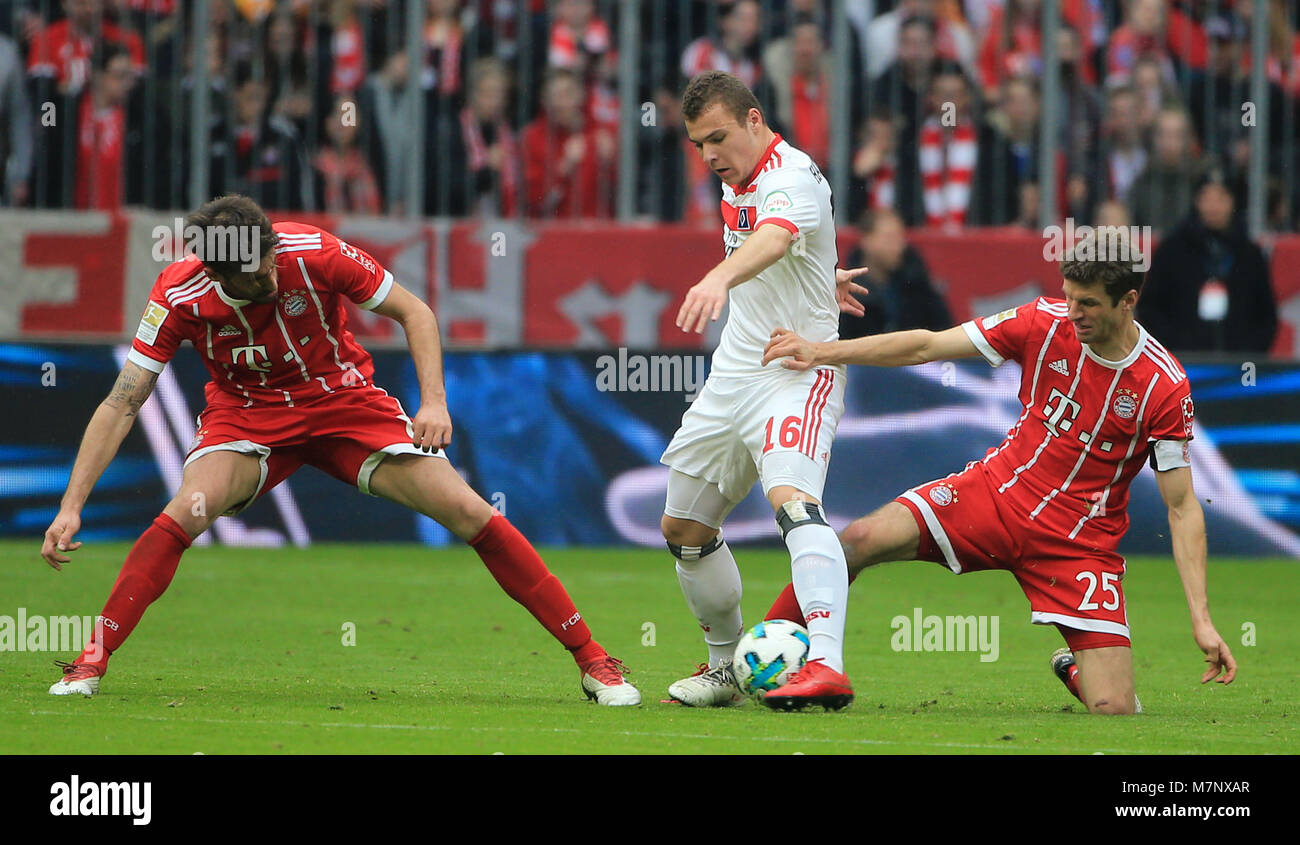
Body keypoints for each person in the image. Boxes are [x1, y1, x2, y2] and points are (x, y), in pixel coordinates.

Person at [41, 194, 641, 707]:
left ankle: (593, 660)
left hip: (346, 405)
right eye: (253, 274)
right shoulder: (179, 295)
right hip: (249, 417)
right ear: (218, 273)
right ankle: (90, 662)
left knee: (469, 511)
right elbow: (123, 401)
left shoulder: (312, 250)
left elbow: (415, 311)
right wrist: (72, 506)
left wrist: (434, 402)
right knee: (186, 509)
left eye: (269, 255)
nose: (270, 274)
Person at [760, 229, 1237, 714]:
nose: (1073, 313)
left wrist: (1201, 620)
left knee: (1114, 710)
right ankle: (754, 662)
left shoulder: (1163, 386)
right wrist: (822, 350)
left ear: (1128, 300)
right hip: (994, 495)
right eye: (1069, 296)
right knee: (855, 541)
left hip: (1077, 545)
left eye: (1089, 304)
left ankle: (1078, 669)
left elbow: (1181, 508)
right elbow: (927, 345)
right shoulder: (1041, 322)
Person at [661, 70, 868, 711]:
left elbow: (777, 235)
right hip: (733, 374)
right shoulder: (740, 179)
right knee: (683, 526)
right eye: (698, 144)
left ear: (755, 120)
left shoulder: (791, 175)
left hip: (796, 371)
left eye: (718, 137)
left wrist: (717, 278)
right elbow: (789, 246)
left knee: (793, 503)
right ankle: (726, 668)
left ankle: (826, 664)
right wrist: (818, 272)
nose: (709, 156)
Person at [1139, 171, 1278, 354]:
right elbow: (1151, 308)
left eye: (1221, 198)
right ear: (1196, 202)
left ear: (1233, 202)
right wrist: (1173, 348)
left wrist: (1248, 352)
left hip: (1238, 364)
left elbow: (1266, 314)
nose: (1213, 206)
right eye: (1206, 198)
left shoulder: (1250, 254)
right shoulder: (1172, 250)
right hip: (1183, 361)